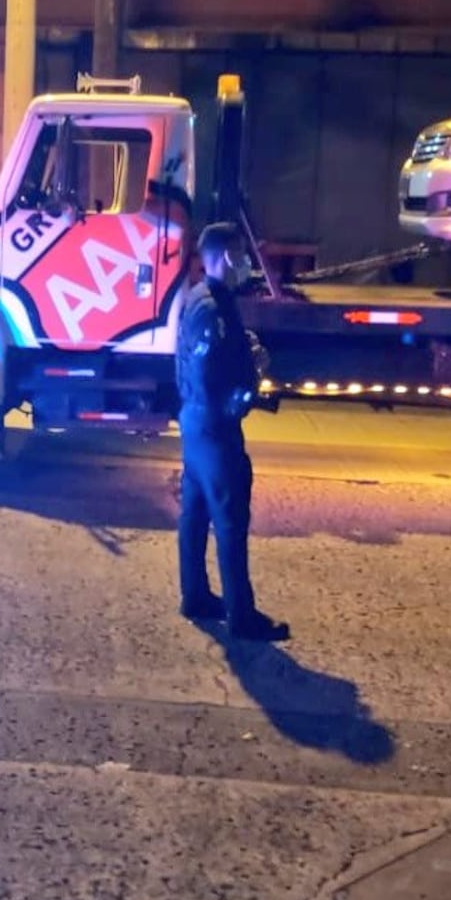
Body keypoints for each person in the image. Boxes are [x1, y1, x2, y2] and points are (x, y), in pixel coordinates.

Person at [175, 222, 290, 642]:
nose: (245, 262)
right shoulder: (212, 307)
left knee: (195, 512)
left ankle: (195, 596)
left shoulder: (201, 297)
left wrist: (245, 352)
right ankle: (242, 617)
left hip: (196, 422)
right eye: (241, 253)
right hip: (214, 428)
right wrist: (247, 390)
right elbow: (207, 373)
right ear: (225, 256)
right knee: (230, 520)